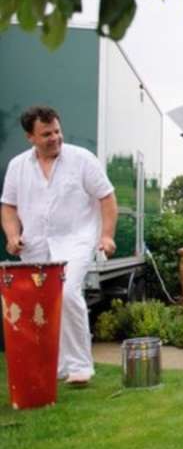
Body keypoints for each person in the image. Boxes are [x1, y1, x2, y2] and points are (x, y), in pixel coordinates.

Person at [1, 106, 118, 386]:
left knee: (65, 295)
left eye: (57, 131)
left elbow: (107, 197)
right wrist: (12, 235)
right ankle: (51, 365)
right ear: (30, 137)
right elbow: (8, 206)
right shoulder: (18, 166)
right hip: (35, 244)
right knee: (40, 305)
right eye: (46, 134)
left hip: (76, 240)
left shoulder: (82, 159)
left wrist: (107, 235)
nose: (54, 137)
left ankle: (80, 367)